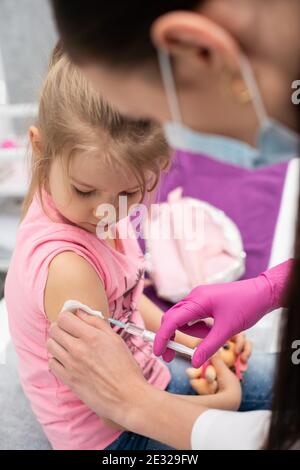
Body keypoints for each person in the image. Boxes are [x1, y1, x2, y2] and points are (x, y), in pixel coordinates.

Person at [46, 0, 300, 448]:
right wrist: (276, 287)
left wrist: (139, 404)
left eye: (157, 118)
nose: (115, 210)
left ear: (200, 52)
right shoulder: (66, 261)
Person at [6, 46, 244, 451]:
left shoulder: (103, 209)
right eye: (85, 190)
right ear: (40, 148)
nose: (106, 210)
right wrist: (227, 402)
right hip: (113, 435)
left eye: (131, 192)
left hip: (143, 387)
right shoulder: (68, 270)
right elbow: (113, 406)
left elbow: (128, 303)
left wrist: (193, 343)